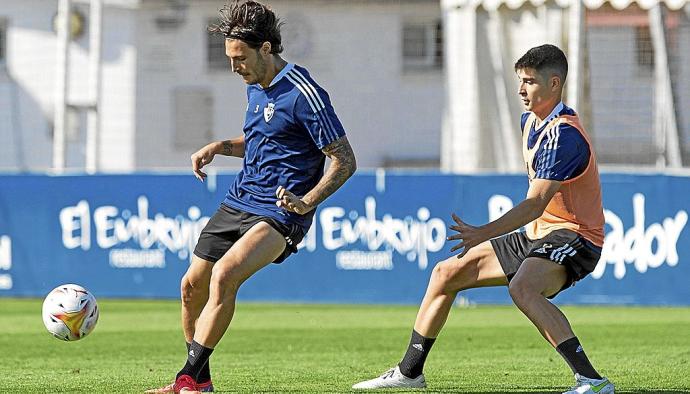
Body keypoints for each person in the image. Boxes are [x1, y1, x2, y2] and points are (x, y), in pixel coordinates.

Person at [352, 44, 614, 394]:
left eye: (530, 82)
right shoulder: (530, 122)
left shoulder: (563, 136)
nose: (521, 89)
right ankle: (410, 372)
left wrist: (482, 233)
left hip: (576, 238)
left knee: (523, 287)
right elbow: (537, 212)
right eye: (520, 81)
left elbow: (535, 203)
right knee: (445, 273)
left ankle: (593, 381)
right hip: (540, 234)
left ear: (554, 84)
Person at [147, 1, 356, 392]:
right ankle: (201, 381)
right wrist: (219, 146)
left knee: (225, 275)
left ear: (265, 48)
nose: (233, 66)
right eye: (228, 58)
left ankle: (186, 380)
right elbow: (266, 139)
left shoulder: (303, 91)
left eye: (239, 57)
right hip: (240, 198)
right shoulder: (256, 89)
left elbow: (344, 161)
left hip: (280, 210)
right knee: (191, 286)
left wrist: (307, 202)